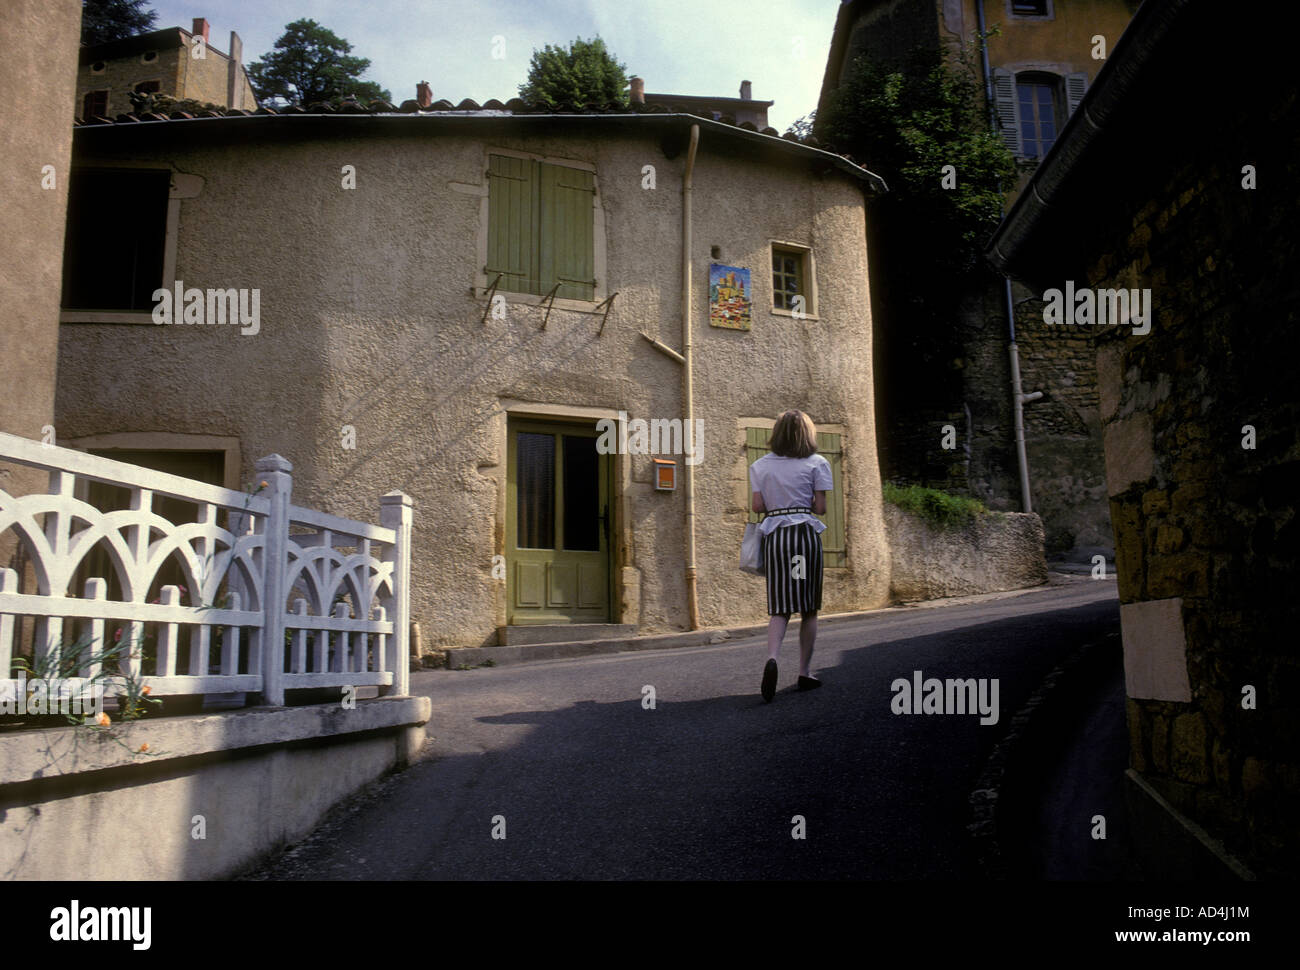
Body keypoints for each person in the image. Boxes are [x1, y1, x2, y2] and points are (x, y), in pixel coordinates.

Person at [748, 409, 832, 702]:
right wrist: (804, 497)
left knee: (780, 606)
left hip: (777, 538)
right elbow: (820, 508)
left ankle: (772, 657)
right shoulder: (817, 463)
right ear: (807, 434)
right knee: (808, 607)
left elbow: (758, 506)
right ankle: (805, 672)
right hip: (804, 538)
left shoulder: (760, 465)